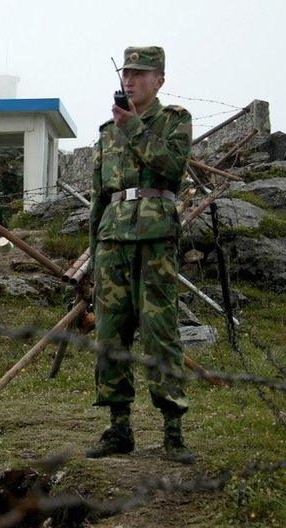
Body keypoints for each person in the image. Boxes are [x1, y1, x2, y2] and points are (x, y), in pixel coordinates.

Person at [85, 46, 195, 464]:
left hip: (155, 237)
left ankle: (173, 431)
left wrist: (133, 128)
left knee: (159, 329)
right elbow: (100, 196)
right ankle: (118, 428)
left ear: (159, 80)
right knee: (110, 332)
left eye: (141, 73)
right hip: (113, 237)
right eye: (127, 73)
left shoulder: (173, 120)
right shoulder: (105, 131)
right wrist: (94, 250)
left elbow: (171, 167)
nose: (130, 80)